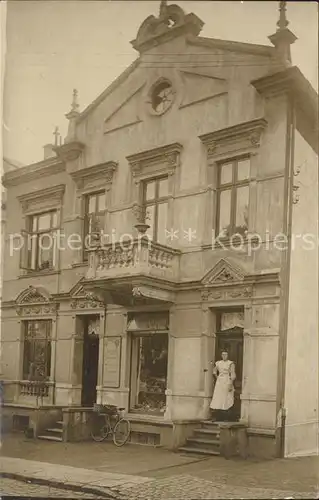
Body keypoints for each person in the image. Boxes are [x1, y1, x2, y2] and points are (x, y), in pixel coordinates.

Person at [210, 350, 236, 421]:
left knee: (226, 396)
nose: (224, 356)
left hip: (227, 380)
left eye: (226, 354)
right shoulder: (218, 363)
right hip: (220, 381)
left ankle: (226, 416)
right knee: (218, 396)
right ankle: (218, 416)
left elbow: (232, 373)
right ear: (221, 355)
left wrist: (231, 383)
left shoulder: (230, 363)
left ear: (228, 355)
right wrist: (217, 377)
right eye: (223, 354)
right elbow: (214, 371)